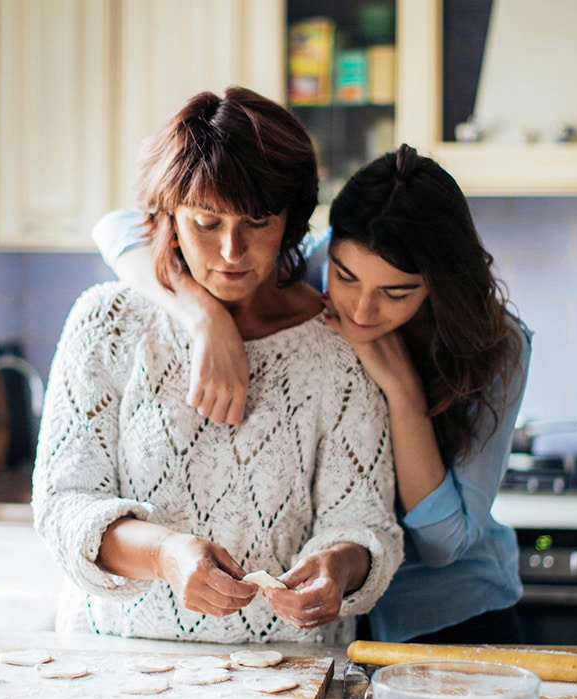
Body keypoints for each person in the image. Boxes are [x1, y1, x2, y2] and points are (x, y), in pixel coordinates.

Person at [92, 144, 532, 645]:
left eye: (396, 292)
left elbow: (443, 543)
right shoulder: (306, 267)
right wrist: (204, 319)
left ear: (437, 285)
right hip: (332, 623)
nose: (362, 309)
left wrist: (403, 393)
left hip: (446, 612)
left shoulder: (498, 345)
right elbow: (119, 228)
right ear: (330, 247)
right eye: (345, 277)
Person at [33, 87, 403, 645]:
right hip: (116, 667)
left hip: (290, 671)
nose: (233, 251)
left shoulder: (338, 347)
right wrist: (163, 554)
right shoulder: (107, 323)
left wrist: (338, 567)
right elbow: (63, 506)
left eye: (257, 221)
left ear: (292, 220)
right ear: (168, 216)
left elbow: (367, 522)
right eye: (207, 222)